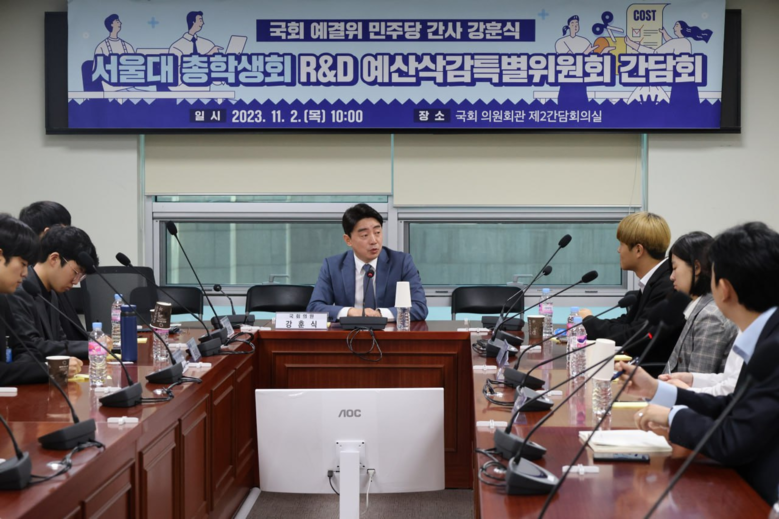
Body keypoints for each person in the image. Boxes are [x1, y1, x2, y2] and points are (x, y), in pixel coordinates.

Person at [618, 222, 779, 504]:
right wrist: (657, 390)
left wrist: (673, 417)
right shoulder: (766, 333)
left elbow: (735, 438)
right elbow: (733, 405)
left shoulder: (772, 348)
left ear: (724, 289)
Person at [580, 212, 681, 373]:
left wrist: (590, 323)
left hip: (652, 378)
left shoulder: (667, 284)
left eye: (621, 244)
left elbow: (637, 336)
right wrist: (590, 322)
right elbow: (629, 322)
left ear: (638, 250)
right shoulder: (656, 279)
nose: (618, 250)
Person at [307, 204, 428, 322]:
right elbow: (314, 308)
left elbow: (419, 307)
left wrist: (380, 314)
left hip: (389, 333)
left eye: (377, 232)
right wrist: (351, 312)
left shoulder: (402, 263)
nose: (374, 241)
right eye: (365, 235)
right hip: (348, 333)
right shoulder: (332, 266)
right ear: (348, 240)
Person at [0, 215, 81, 385]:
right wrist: (51, 369)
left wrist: (26, 368)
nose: (25, 273)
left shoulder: (2, 299)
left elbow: (26, 349)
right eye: (23, 264)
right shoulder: (13, 295)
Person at [8, 225, 106, 360]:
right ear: (54, 258)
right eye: (76, 272)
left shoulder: (53, 294)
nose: (76, 281)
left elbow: (60, 342)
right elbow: (31, 345)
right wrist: (91, 347)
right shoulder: (19, 291)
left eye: (81, 276)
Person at [663, 232, 738, 374]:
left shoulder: (710, 316)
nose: (671, 277)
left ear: (696, 268)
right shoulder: (699, 307)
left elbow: (696, 382)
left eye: (675, 268)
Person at [18, 201, 85, 342]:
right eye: (64, 232)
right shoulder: (25, 284)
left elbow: (64, 339)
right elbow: (33, 344)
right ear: (47, 233)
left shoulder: (52, 285)